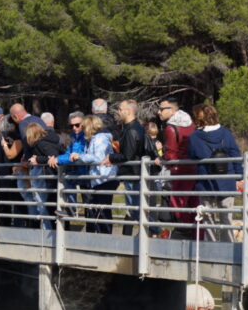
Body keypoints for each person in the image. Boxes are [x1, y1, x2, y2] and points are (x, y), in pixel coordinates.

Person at [103, 99, 161, 237]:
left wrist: (111, 158)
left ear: (127, 111)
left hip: (134, 175)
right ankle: (152, 233)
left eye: (119, 109)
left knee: (135, 209)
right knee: (137, 209)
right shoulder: (137, 127)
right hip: (136, 173)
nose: (117, 112)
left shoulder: (131, 130)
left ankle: (158, 231)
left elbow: (127, 155)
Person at [188, 104, 243, 243]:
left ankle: (211, 248)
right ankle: (228, 247)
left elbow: (191, 155)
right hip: (227, 180)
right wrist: (239, 176)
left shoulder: (194, 137)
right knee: (227, 218)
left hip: (206, 183)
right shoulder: (226, 133)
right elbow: (235, 154)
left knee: (208, 218)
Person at [156, 97, 198, 228]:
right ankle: (196, 234)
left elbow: (171, 154)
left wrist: (161, 159)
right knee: (193, 204)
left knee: (177, 203)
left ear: (172, 110)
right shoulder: (190, 124)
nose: (159, 112)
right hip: (194, 168)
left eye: (162, 109)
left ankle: (183, 230)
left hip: (179, 171)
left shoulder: (170, 128)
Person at [75, 115, 118, 233]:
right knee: (99, 209)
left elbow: (98, 157)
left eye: (83, 126)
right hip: (101, 177)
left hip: (104, 177)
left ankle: (105, 237)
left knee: (103, 209)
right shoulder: (96, 138)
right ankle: (101, 236)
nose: (82, 129)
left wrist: (80, 157)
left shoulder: (100, 138)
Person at [50, 111, 87, 217]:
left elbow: (75, 155)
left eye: (77, 125)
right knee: (68, 179)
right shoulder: (74, 137)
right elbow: (69, 153)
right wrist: (56, 158)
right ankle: (72, 210)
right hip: (82, 171)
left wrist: (57, 159)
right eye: (71, 126)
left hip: (89, 172)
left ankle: (72, 210)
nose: (74, 128)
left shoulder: (85, 136)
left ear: (83, 124)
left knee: (92, 208)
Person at [24, 123, 61, 229]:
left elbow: (54, 157)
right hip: (51, 177)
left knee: (46, 205)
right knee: (49, 205)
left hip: (50, 177)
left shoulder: (41, 143)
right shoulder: (46, 141)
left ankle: (49, 231)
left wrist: (37, 160)